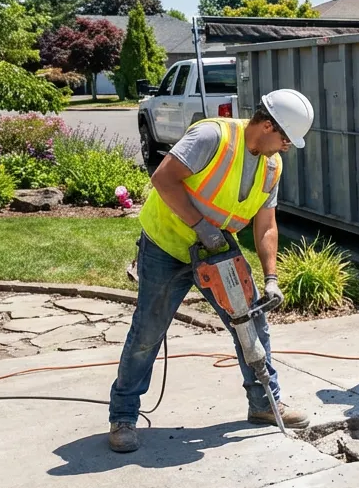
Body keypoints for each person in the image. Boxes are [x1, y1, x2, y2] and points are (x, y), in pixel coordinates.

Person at [107, 89, 315, 453]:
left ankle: (264, 403)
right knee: (148, 330)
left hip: (217, 248)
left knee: (249, 321)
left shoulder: (271, 166)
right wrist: (199, 224)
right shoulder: (212, 137)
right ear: (267, 126)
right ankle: (123, 415)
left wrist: (271, 277)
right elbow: (163, 178)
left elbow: (266, 224)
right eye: (284, 139)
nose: (285, 148)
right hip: (166, 244)